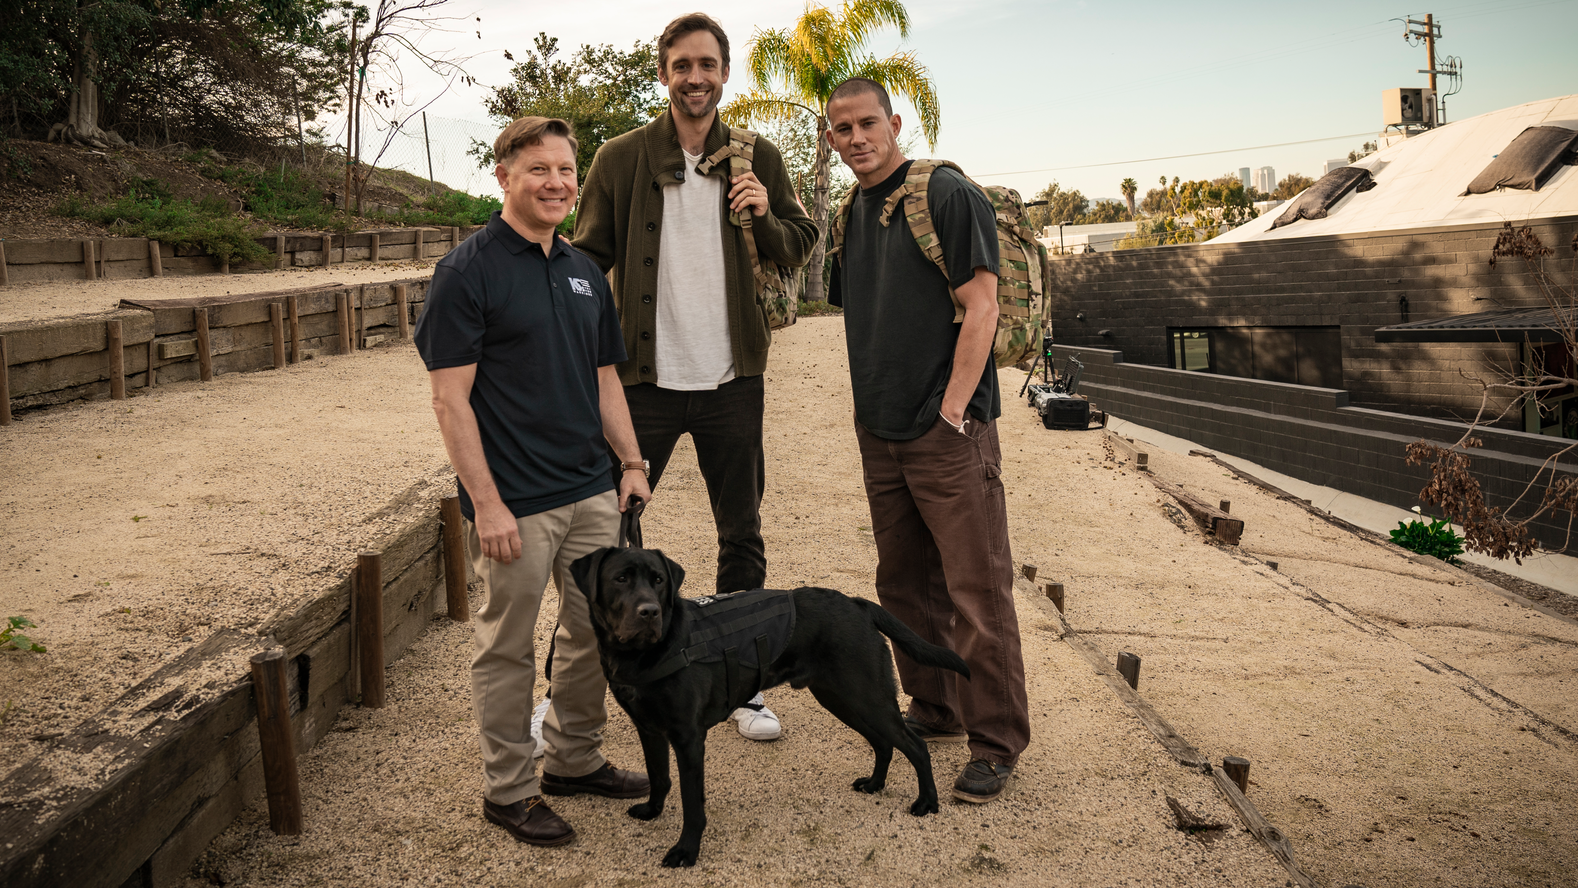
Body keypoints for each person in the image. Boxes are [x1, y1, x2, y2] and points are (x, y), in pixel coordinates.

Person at [573, 12, 818, 741]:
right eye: (681, 65)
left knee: (741, 532)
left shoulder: (756, 155)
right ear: (664, 74)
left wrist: (764, 213)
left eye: (707, 64)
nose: (695, 77)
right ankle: (578, 692)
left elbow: (799, 244)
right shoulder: (620, 157)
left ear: (724, 73)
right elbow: (586, 260)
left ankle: (744, 683)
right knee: (608, 535)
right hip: (642, 382)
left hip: (732, 380)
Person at [415, 115, 652, 847]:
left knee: (592, 632)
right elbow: (450, 400)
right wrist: (486, 504)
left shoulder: (583, 270)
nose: (556, 183)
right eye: (538, 170)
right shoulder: (467, 272)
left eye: (565, 170)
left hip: (590, 491)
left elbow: (604, 377)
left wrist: (632, 463)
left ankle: (574, 761)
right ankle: (510, 791)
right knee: (508, 649)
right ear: (504, 178)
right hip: (515, 502)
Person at [824, 77, 1031, 804]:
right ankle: (936, 705)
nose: (857, 138)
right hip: (880, 431)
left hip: (948, 432)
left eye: (867, 123)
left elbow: (983, 307)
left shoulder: (944, 193)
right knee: (904, 585)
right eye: (842, 128)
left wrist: (951, 412)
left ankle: (996, 742)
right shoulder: (849, 211)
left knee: (977, 591)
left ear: (894, 122)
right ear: (830, 138)